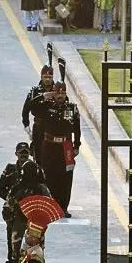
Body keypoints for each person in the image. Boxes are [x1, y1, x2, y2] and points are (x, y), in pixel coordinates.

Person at [0, 142, 47, 263]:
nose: (24, 155)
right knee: (15, 246)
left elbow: (47, 200)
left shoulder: (38, 173)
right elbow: (3, 195)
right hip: (17, 216)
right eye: (21, 152)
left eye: (26, 152)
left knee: (35, 246)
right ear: (16, 154)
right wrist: (14, 208)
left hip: (34, 219)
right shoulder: (10, 171)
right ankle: (15, 261)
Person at [37, 81, 80, 217]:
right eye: (58, 92)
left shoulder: (71, 108)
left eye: (63, 92)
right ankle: (51, 205)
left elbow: (77, 129)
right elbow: (30, 107)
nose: (60, 95)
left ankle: (63, 207)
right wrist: (43, 96)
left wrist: (77, 145)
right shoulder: (46, 107)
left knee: (66, 178)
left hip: (65, 147)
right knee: (49, 176)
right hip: (49, 146)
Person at [21, 65, 53, 159]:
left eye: (50, 77)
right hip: (39, 127)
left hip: (53, 128)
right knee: (38, 153)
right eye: (45, 77)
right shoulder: (34, 92)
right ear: (41, 77)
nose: (47, 79)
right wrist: (26, 125)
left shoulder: (58, 91)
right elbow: (26, 108)